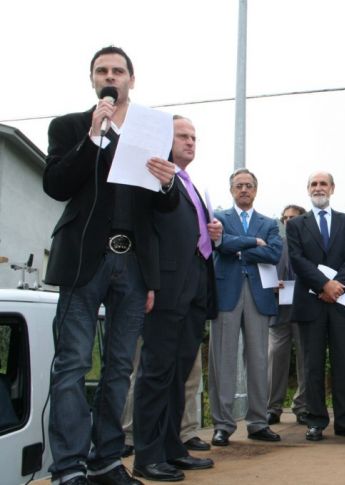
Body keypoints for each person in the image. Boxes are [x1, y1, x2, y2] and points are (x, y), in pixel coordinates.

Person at [43, 46, 178, 485]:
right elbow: (56, 185)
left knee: (120, 367)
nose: (111, 76)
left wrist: (167, 182)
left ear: (131, 80)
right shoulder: (70, 126)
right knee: (74, 365)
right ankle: (68, 467)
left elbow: (164, 208)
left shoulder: (150, 130)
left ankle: (105, 460)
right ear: (93, 79)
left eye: (118, 70)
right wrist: (92, 135)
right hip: (84, 261)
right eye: (102, 70)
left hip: (134, 265)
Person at [132, 116, 219, 482]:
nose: (190, 142)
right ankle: (147, 456)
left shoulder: (191, 185)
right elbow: (144, 229)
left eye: (194, 137)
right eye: (183, 136)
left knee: (178, 373)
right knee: (156, 371)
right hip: (166, 286)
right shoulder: (152, 176)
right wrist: (148, 282)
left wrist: (213, 231)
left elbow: (190, 231)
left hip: (195, 286)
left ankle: (171, 448)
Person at [286, 171, 345, 441]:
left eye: (323, 184)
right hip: (311, 303)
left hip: (342, 302)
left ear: (332, 188)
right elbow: (297, 260)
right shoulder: (296, 224)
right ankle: (316, 421)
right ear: (307, 189)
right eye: (314, 184)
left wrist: (336, 286)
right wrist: (323, 285)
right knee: (313, 365)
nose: (318, 188)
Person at [208, 169, 283, 446]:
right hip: (226, 292)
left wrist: (236, 248)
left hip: (258, 295)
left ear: (256, 190)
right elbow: (219, 243)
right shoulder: (219, 218)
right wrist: (252, 242)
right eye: (239, 186)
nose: (244, 190)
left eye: (249, 186)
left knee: (258, 361)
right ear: (231, 190)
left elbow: (274, 253)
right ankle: (223, 424)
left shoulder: (269, 223)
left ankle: (258, 422)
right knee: (223, 361)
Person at [267, 204, 308, 426]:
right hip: (278, 312)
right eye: (286, 218)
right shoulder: (276, 246)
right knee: (275, 359)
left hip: (304, 311)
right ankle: (273, 408)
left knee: (305, 360)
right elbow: (263, 274)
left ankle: (302, 407)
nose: (289, 221)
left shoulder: (311, 246)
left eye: (294, 218)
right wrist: (273, 285)